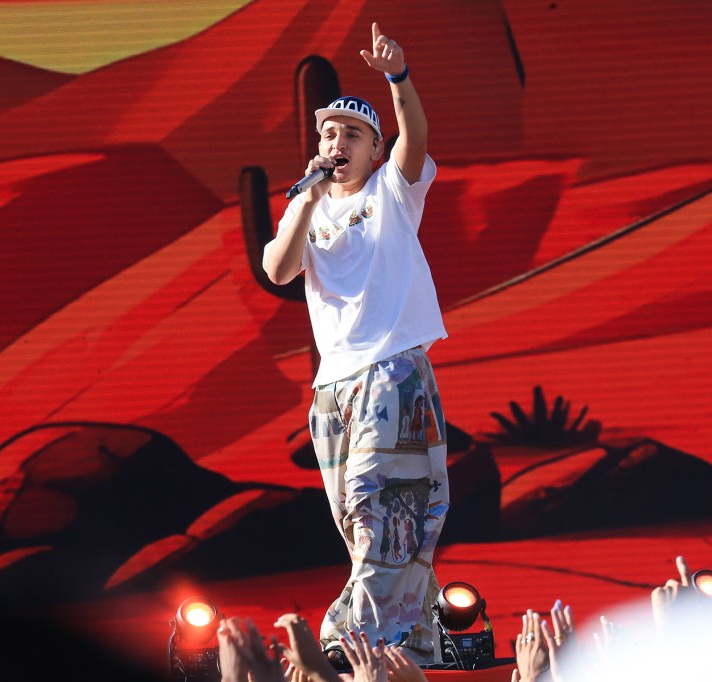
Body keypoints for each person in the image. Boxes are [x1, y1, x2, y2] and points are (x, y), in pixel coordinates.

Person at [263, 21, 449, 665]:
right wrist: (304, 199)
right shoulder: (308, 208)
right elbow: (278, 270)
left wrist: (398, 77)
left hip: (391, 369)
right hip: (332, 386)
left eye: (351, 134)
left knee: (381, 505)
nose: (336, 142)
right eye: (328, 133)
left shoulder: (392, 191)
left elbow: (415, 137)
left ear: (374, 149)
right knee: (360, 520)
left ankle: (354, 637)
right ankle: (412, 641)